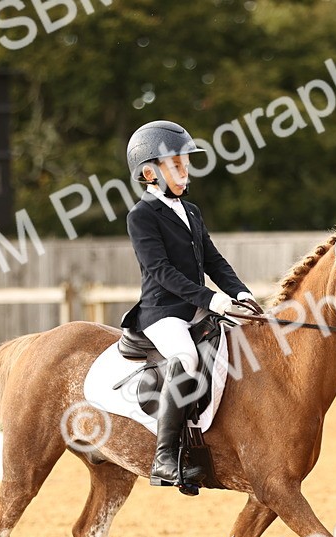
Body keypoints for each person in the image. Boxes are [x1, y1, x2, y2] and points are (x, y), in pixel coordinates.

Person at [121, 120, 263, 489]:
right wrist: (214, 299)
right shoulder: (141, 216)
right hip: (162, 312)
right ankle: (165, 458)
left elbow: (214, 261)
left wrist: (241, 293)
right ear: (150, 172)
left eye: (186, 164)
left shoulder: (192, 211)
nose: (186, 172)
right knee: (185, 357)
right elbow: (162, 272)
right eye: (177, 165)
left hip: (198, 306)